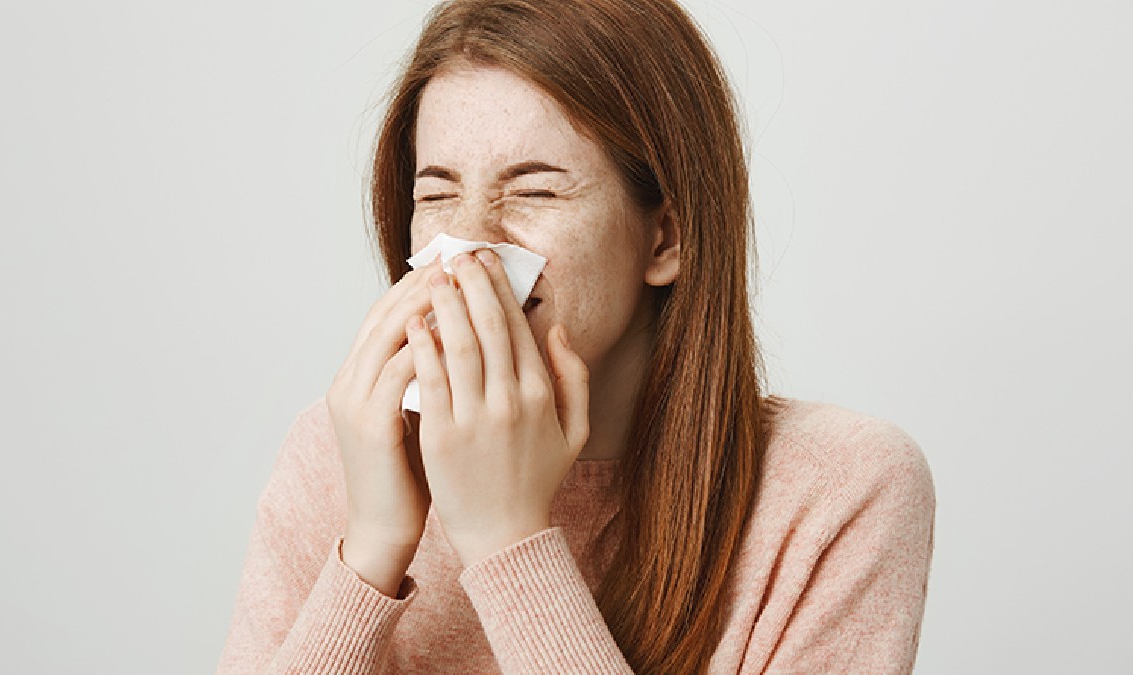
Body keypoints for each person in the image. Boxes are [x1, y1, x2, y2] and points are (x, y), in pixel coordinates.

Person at [215, 0, 936, 672]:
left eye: (533, 190)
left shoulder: (839, 490)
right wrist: (369, 547)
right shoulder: (341, 454)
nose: (467, 245)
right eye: (435, 194)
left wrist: (507, 540)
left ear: (666, 236)